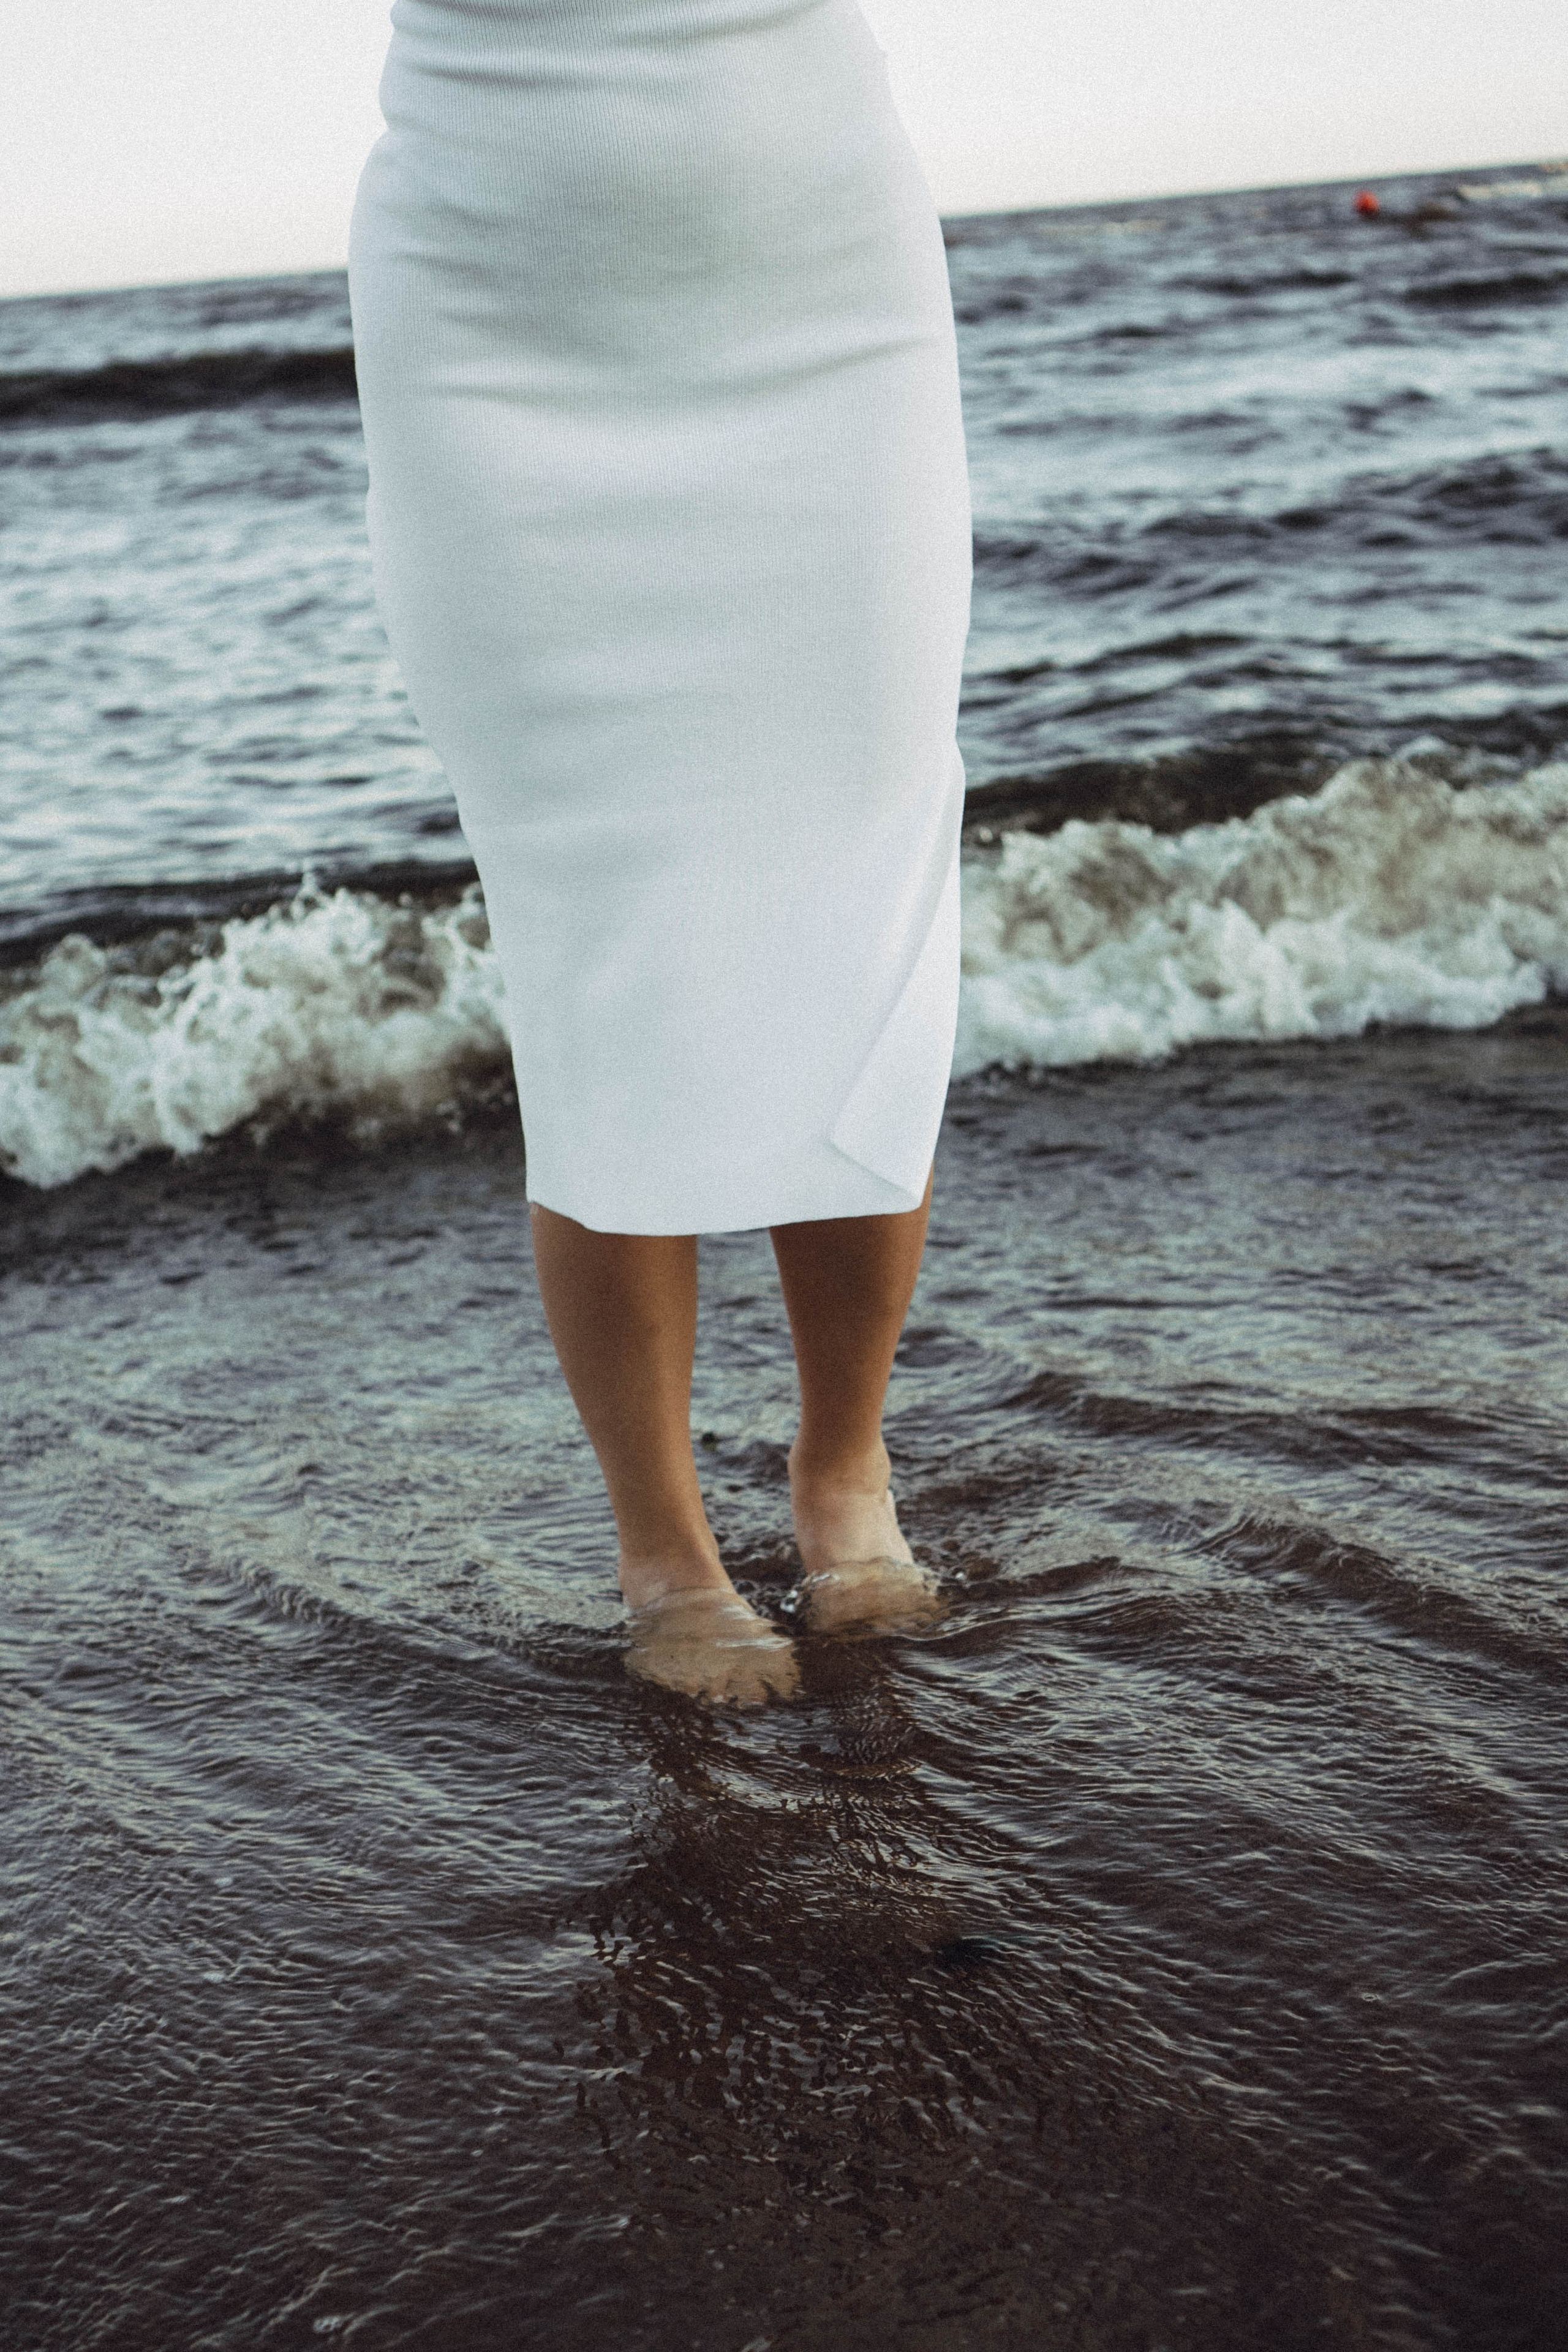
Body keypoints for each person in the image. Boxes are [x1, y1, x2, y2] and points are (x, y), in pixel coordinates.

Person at [349, 0, 973, 1702]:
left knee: (865, 896)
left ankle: (843, 1471)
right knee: (598, 931)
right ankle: (664, 1552)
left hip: (825, 291)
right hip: (498, 294)